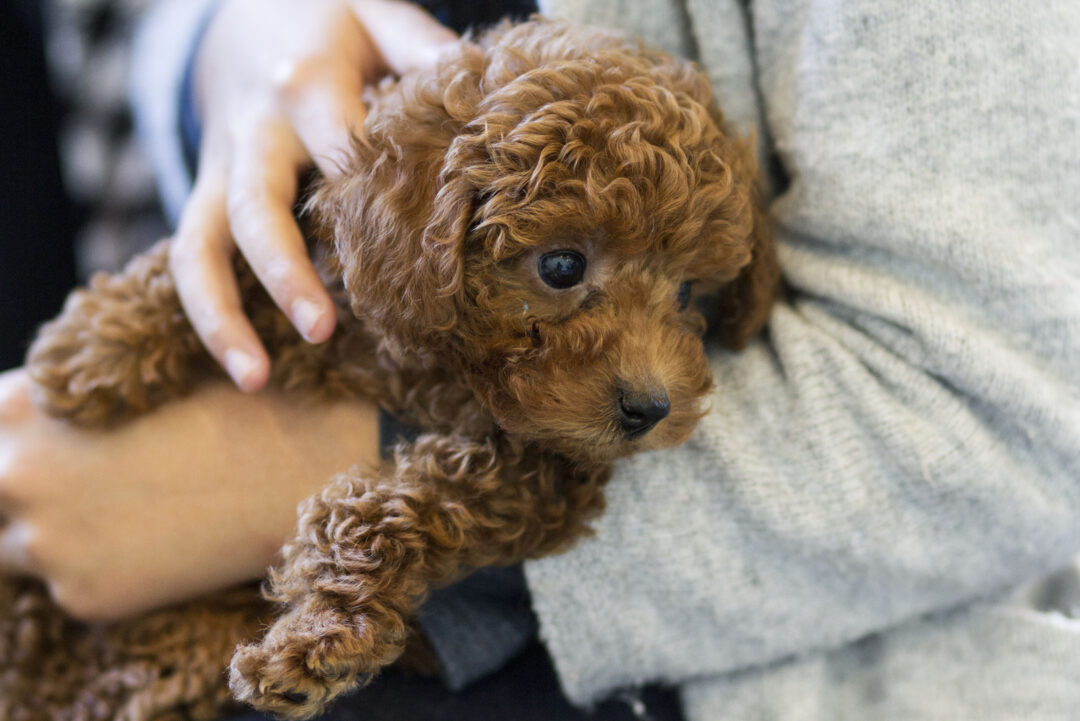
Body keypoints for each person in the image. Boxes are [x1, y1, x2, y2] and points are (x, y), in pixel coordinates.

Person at [2, 0, 1079, 719]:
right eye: (567, 267)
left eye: (688, 299)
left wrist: (315, 468)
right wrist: (225, 36)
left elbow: (1013, 405)